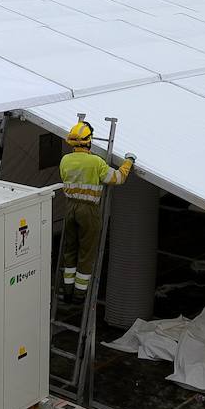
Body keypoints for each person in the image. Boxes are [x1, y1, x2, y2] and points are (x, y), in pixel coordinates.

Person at [58, 120, 135, 303]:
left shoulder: (65, 160)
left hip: (69, 207)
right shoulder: (96, 162)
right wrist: (128, 162)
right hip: (88, 210)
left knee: (70, 250)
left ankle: (67, 290)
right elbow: (118, 178)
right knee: (87, 252)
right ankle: (79, 295)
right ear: (89, 141)